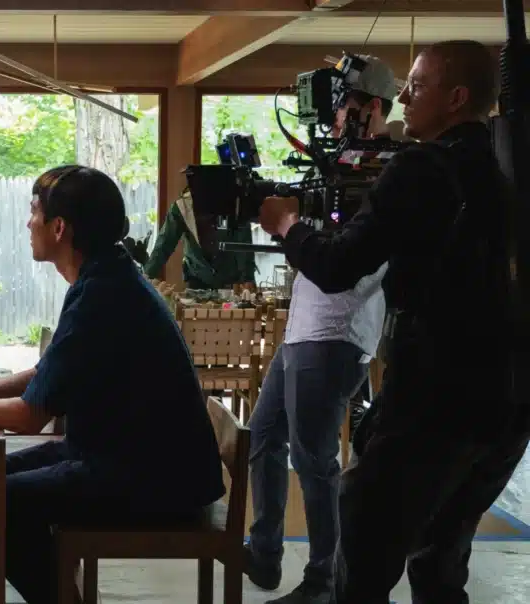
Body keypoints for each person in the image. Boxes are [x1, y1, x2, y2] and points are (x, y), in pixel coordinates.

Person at [258, 40, 527, 604]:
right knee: (440, 559)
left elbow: (335, 266)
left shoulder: (423, 166)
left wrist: (287, 226)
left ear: (455, 98)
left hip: (437, 389)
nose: (404, 96)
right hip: (506, 399)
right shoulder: (501, 166)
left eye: (417, 85)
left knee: (365, 545)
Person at [0, 165, 226, 604]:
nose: (28, 223)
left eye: (34, 212)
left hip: (155, 480)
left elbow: (29, 416)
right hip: (126, 456)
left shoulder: (103, 293)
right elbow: (44, 375)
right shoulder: (106, 276)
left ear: (60, 227)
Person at [244, 55, 395, 604]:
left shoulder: (383, 173)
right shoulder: (339, 169)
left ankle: (323, 581)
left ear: (373, 107)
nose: (334, 123)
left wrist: (291, 225)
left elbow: (346, 265)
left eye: (344, 109)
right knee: (262, 439)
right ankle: (263, 554)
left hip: (337, 334)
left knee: (313, 459)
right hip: (302, 332)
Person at [143, 188, 256, 289]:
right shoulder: (182, 207)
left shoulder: (235, 205)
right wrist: (147, 277)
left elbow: (244, 243)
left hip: (230, 278)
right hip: (197, 277)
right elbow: (164, 244)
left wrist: (248, 278)